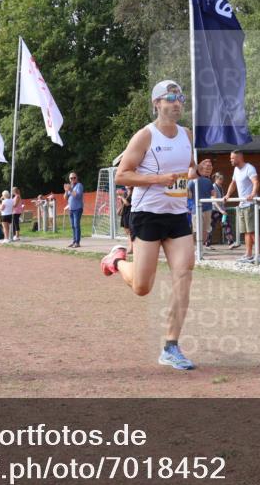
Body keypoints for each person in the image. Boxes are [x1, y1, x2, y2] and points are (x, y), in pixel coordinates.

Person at [100, 80, 206, 370]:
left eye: (180, 98)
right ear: (156, 104)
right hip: (147, 215)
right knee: (142, 287)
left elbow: (188, 172)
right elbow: (122, 176)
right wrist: (157, 180)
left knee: (184, 275)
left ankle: (171, 346)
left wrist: (199, 171)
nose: (176, 103)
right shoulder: (144, 136)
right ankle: (116, 260)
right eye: (170, 98)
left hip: (177, 215)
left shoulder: (187, 134)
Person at [224, 150, 260, 262]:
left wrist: (252, 194)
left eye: (232, 158)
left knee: (252, 231)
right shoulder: (236, 169)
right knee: (246, 232)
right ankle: (248, 254)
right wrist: (227, 195)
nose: (230, 160)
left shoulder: (249, 168)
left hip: (250, 204)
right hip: (242, 204)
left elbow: (256, 182)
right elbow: (233, 183)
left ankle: (259, 254)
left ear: (239, 158)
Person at [209, 172, 234, 248]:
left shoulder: (220, 187)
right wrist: (221, 210)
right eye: (220, 179)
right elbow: (214, 201)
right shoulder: (213, 187)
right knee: (211, 227)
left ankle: (230, 242)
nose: (222, 180)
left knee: (226, 224)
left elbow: (220, 200)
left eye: (222, 179)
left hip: (221, 210)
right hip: (215, 210)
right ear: (216, 179)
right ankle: (207, 243)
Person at [64, 171, 84, 248]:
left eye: (74, 177)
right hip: (71, 209)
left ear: (77, 178)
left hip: (78, 208)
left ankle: (77, 242)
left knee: (76, 225)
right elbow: (65, 198)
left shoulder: (79, 185)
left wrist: (70, 190)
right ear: (69, 179)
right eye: (71, 178)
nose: (73, 179)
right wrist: (66, 190)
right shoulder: (70, 187)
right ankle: (74, 241)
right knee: (73, 226)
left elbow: (78, 196)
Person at [118, 186, 133, 253]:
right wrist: (119, 210)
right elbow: (123, 204)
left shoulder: (134, 193)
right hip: (125, 213)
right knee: (127, 231)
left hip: (130, 213)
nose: (126, 185)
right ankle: (130, 247)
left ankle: (131, 248)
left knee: (130, 231)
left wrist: (121, 197)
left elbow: (127, 203)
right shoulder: (125, 193)